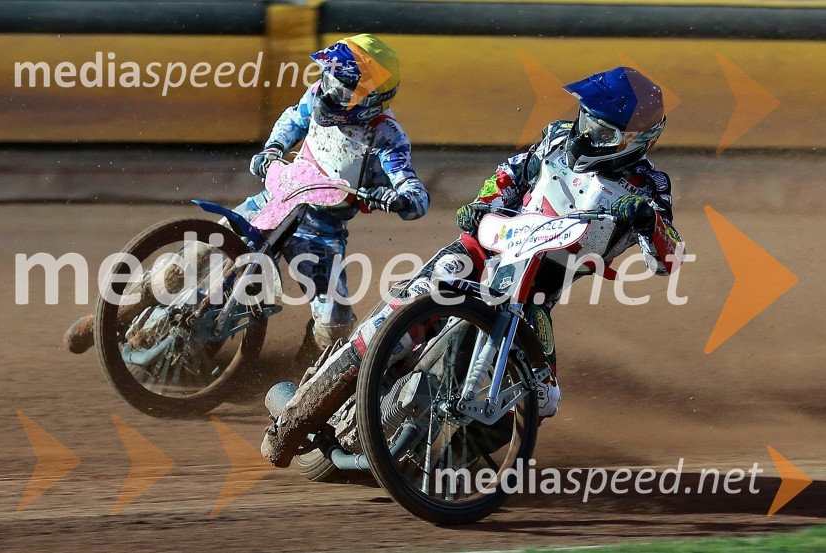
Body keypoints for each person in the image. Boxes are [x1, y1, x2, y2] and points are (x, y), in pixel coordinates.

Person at [261, 66, 684, 468]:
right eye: (587, 120)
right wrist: (484, 203)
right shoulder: (556, 138)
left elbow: (669, 259)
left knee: (543, 398)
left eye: (603, 132)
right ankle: (297, 416)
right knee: (401, 309)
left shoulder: (648, 186)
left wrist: (649, 222)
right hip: (484, 249)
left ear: (635, 140)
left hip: (535, 293)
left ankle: (444, 466)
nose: (586, 135)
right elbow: (511, 172)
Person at [63, 34, 429, 356]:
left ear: (371, 98)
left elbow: (415, 193)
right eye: (329, 77)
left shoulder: (388, 136)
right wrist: (273, 149)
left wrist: (399, 199)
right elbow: (293, 120)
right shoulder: (318, 94)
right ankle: (111, 317)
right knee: (195, 255)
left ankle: (308, 376)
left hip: (321, 231)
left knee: (334, 322)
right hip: (275, 201)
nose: (329, 90)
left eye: (342, 88)